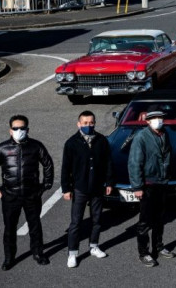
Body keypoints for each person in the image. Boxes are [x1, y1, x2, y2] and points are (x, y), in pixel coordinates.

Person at [0, 115, 54, 270]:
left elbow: (48, 164)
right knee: (10, 228)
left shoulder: (36, 146)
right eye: (16, 128)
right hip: (10, 196)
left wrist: (45, 186)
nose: (19, 131)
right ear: (10, 130)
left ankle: (38, 253)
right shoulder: (2, 148)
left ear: (27, 129)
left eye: (22, 128)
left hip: (32, 195)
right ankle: (9, 257)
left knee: (35, 226)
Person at [61, 110, 113, 268]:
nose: (88, 125)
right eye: (85, 123)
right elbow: (66, 168)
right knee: (76, 222)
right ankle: (72, 252)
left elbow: (108, 163)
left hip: (97, 187)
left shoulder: (101, 140)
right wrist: (66, 189)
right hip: (80, 188)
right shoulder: (71, 143)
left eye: (91, 122)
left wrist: (109, 182)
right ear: (79, 124)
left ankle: (94, 246)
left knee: (97, 220)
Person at [128, 110, 176, 267]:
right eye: (154, 118)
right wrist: (137, 186)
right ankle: (144, 252)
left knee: (160, 219)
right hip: (148, 184)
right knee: (145, 221)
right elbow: (135, 163)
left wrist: (167, 175)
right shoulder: (141, 137)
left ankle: (159, 246)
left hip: (162, 182)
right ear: (147, 121)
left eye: (160, 118)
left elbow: (168, 155)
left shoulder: (164, 134)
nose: (158, 120)